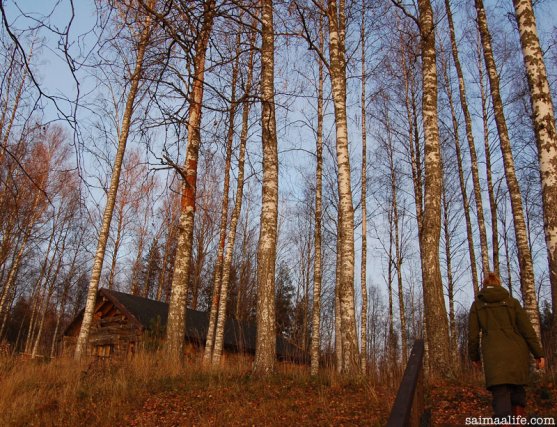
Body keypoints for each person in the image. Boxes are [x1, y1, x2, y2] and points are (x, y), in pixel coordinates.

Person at [468, 272, 545, 422]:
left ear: (485, 285)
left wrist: (474, 357)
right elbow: (527, 330)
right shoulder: (512, 302)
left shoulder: (477, 305)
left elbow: (472, 335)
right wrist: (538, 354)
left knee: (500, 396)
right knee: (518, 392)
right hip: (517, 352)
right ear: (498, 284)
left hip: (494, 356)